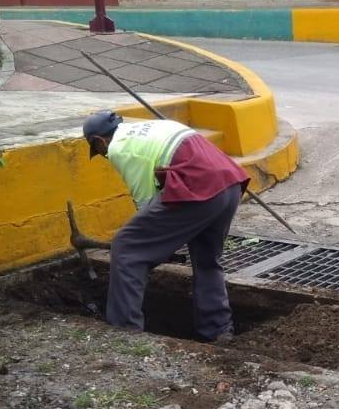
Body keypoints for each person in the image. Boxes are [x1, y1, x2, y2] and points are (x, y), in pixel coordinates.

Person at [82, 110, 249, 340]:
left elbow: (146, 200)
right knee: (207, 260)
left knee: (127, 247)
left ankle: (124, 333)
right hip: (229, 184)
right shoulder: (150, 128)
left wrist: (154, 248)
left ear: (100, 141)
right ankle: (218, 330)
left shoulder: (120, 148)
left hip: (198, 186)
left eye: (98, 151)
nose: (103, 155)